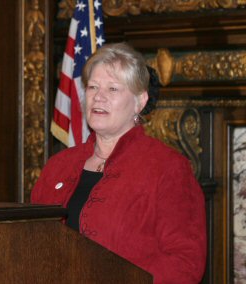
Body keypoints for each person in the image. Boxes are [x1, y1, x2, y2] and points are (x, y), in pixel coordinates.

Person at [31, 42, 206, 284]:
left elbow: (185, 263)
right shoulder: (58, 165)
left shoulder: (167, 167)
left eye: (113, 89)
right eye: (92, 87)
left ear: (140, 101)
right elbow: (29, 241)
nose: (98, 97)